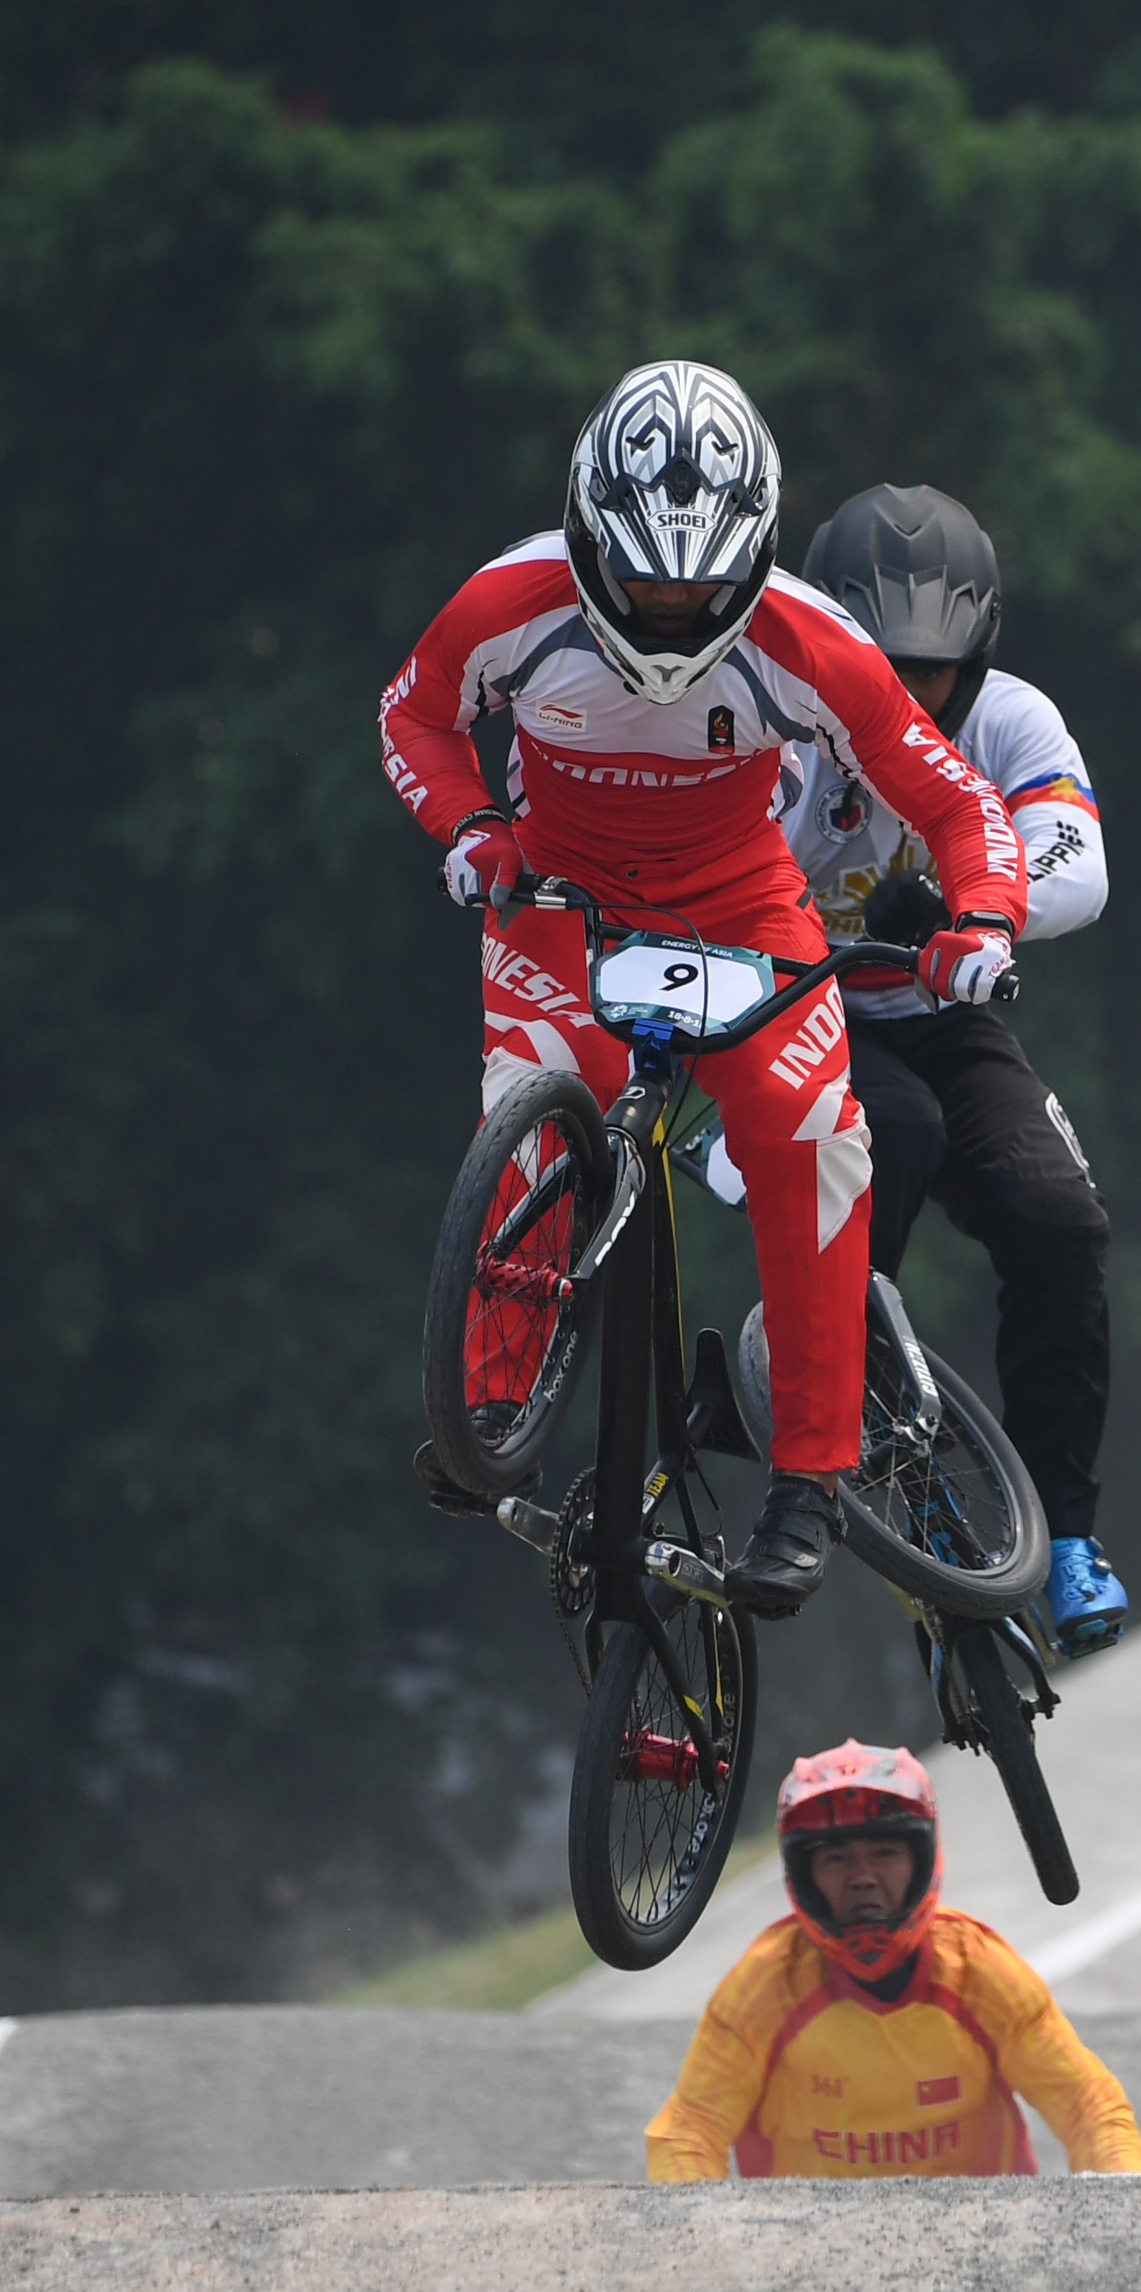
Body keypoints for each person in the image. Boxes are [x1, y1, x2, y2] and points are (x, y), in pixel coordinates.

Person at [384, 361, 1030, 1617]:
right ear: (585, 545)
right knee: (531, 1115)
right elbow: (412, 720)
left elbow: (958, 800)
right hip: (558, 897)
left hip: (742, 905)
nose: (673, 614)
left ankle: (809, 1478)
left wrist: (984, 919)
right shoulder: (505, 606)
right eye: (644, 582)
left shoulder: (812, 642)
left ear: (757, 559)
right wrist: (473, 831)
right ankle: (498, 1403)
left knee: (814, 1140)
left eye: (701, 587)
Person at [767, 483, 1129, 1656]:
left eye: (935, 673)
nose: (910, 699)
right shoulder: (773, 715)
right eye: (883, 667)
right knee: (901, 1130)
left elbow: (1078, 858)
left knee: (1059, 1219)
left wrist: (977, 909)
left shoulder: (1015, 719)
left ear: (976, 656)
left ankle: (1066, 1536)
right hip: (796, 1012)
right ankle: (851, 1412)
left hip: (939, 1006)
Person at [645, 1742, 1141, 2179]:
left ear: (922, 1858)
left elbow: (1089, 2106)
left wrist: (1120, 2200)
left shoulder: (981, 1972)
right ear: (803, 1873)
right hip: (806, 2268)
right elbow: (689, 2132)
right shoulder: (763, 1988)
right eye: (836, 1859)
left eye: (884, 1852)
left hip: (988, 2259)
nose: (862, 1878)